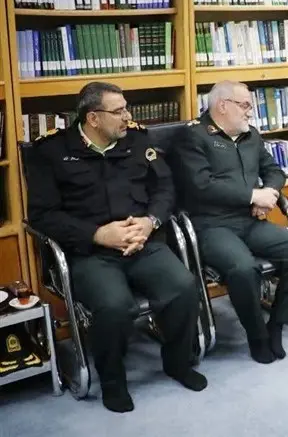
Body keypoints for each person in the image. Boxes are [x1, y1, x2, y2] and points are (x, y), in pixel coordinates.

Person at [26, 82, 207, 414]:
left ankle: (178, 362)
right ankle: (113, 381)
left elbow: (165, 187)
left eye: (127, 108)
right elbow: (42, 216)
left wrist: (150, 221)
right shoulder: (50, 152)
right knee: (114, 306)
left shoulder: (137, 140)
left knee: (183, 287)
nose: (127, 116)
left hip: (142, 242)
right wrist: (96, 234)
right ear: (93, 118)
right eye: (119, 111)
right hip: (90, 252)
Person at [173, 80, 288, 364]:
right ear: (222, 106)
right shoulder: (192, 136)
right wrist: (252, 196)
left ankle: (276, 324)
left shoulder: (251, 135)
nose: (251, 111)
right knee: (243, 268)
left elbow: (274, 171)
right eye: (245, 105)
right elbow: (201, 186)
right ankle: (257, 335)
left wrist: (269, 194)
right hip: (212, 224)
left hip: (249, 219)